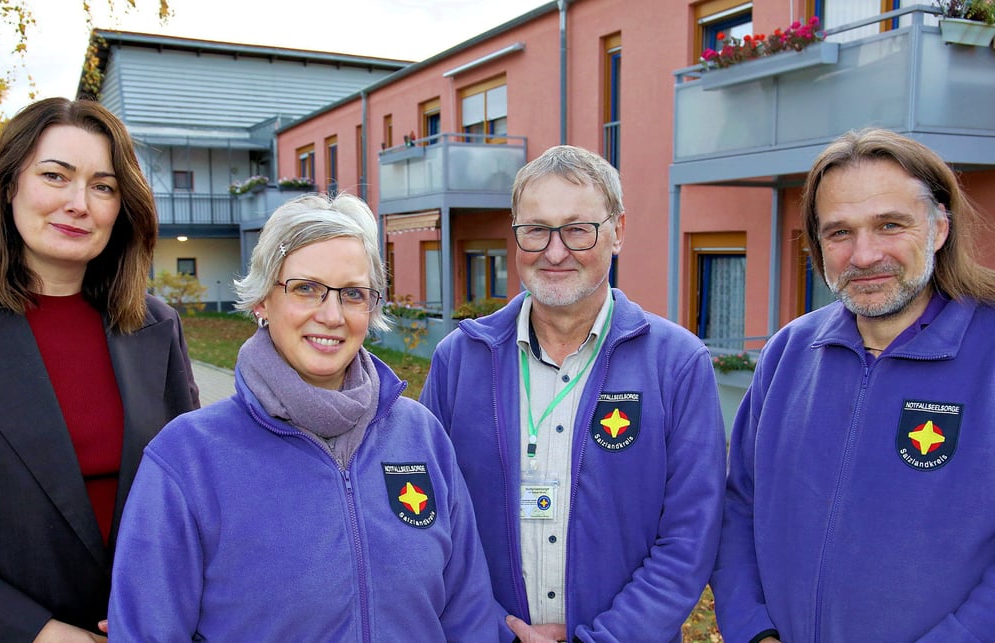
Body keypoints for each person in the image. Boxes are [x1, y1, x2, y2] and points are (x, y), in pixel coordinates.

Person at [108, 193, 498, 640]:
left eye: (352, 294)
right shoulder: (188, 458)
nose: (331, 315)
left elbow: (468, 614)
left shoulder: (421, 436)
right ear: (262, 300)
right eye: (306, 288)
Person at [419, 145, 726, 642]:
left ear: (618, 231)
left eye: (578, 230)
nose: (555, 252)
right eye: (536, 229)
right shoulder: (459, 360)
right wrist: (494, 631)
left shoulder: (677, 364)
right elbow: (430, 522)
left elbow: (691, 534)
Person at [712, 128, 995, 641]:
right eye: (840, 232)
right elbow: (738, 509)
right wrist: (755, 631)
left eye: (890, 225)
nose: (863, 256)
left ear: (938, 228)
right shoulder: (788, 353)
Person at [0, 97, 200, 641]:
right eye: (55, 176)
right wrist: (40, 632)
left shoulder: (156, 326)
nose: (79, 204)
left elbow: (195, 491)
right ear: (9, 186)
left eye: (103, 186)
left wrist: (166, 603)